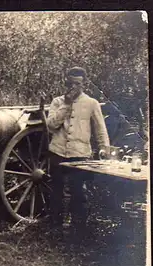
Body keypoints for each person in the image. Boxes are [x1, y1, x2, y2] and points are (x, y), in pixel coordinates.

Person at [47, 66, 110, 239]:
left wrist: (104, 148)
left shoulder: (91, 103)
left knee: (78, 191)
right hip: (58, 152)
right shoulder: (57, 102)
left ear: (84, 84)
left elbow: (100, 130)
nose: (74, 87)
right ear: (66, 82)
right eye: (71, 83)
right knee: (56, 190)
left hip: (80, 154)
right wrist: (66, 105)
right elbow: (51, 126)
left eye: (78, 83)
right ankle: (55, 227)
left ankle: (79, 229)